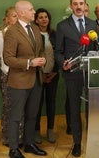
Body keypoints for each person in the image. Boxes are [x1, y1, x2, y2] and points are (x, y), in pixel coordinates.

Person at [54, 0, 96, 157]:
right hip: (72, 73)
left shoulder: (93, 24)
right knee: (74, 108)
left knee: (92, 108)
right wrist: (62, 62)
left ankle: (93, 138)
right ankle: (77, 143)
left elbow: (96, 48)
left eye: (81, 3)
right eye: (75, 4)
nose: (79, 7)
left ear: (85, 5)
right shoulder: (62, 26)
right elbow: (58, 51)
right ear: (71, 6)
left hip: (91, 72)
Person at [3, 0, 47, 158]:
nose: (34, 12)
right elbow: (8, 58)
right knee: (15, 116)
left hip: (36, 79)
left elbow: (39, 51)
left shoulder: (35, 29)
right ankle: (13, 149)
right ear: (21, 13)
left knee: (32, 115)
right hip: (19, 81)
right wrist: (29, 63)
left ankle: (28, 144)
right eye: (31, 9)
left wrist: (42, 59)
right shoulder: (12, 32)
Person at [0, 6, 24, 147]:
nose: (16, 18)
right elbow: (3, 58)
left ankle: (20, 137)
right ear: (7, 19)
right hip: (7, 75)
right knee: (9, 107)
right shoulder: (1, 34)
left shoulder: (23, 32)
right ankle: (8, 138)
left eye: (18, 16)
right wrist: (12, 72)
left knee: (20, 107)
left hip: (21, 75)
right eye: (13, 16)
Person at [34, 8, 59, 144]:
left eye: (46, 17)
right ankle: (36, 131)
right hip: (37, 75)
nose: (44, 19)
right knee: (37, 104)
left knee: (51, 103)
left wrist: (53, 72)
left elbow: (59, 53)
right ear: (36, 20)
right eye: (41, 17)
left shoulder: (54, 34)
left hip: (53, 74)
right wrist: (41, 74)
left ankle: (50, 130)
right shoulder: (33, 34)